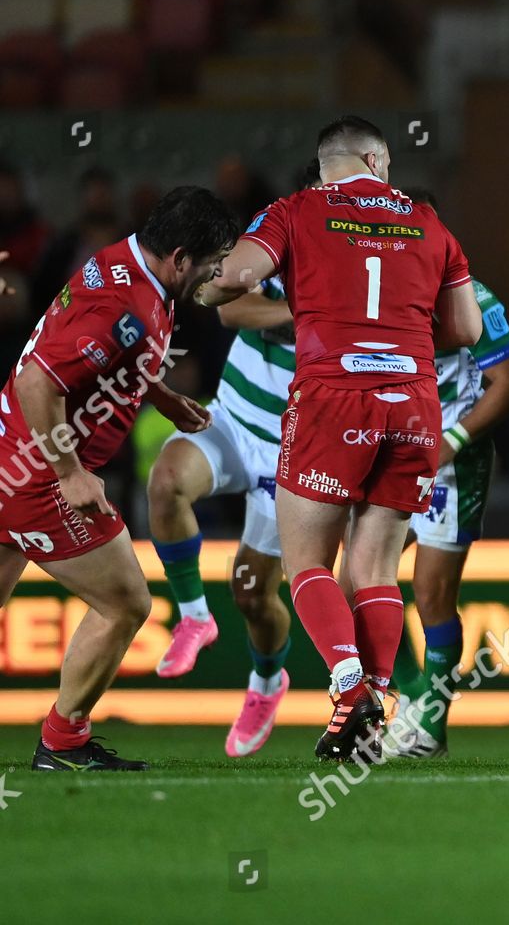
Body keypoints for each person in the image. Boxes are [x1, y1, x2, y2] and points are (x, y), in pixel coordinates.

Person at [199, 116, 481, 762]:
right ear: (378, 161)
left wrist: (211, 277)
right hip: (414, 402)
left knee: (306, 565)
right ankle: (372, 716)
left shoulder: (294, 210)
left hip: (334, 397)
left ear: (328, 162)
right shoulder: (430, 222)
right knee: (376, 569)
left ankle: (350, 688)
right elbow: (464, 329)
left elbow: (231, 282)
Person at [0, 187, 236, 771]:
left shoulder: (128, 266)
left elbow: (108, 357)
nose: (216, 277)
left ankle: (63, 741)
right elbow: (38, 382)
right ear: (181, 257)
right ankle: (62, 741)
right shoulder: (122, 303)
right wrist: (70, 472)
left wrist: (158, 393)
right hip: (36, 474)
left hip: (11, 453)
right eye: (211, 265)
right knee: (126, 604)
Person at [147, 164, 325, 758]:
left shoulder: (371, 274)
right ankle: (194, 617)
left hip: (293, 450)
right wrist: (300, 317)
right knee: (167, 480)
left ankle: (268, 681)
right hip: (233, 418)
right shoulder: (278, 242)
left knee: (252, 591)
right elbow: (227, 308)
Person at [380, 270, 509, 758]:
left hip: (452, 465)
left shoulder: (474, 300)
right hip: (394, 457)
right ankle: (416, 699)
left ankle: (431, 727)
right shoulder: (375, 289)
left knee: (431, 595)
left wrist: (454, 440)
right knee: (354, 582)